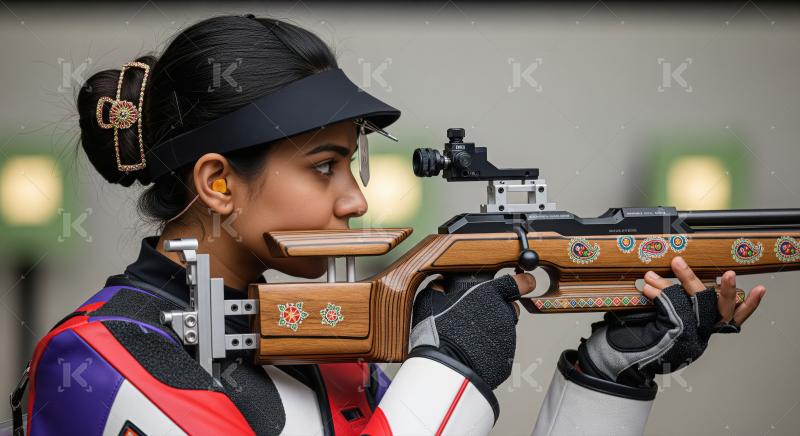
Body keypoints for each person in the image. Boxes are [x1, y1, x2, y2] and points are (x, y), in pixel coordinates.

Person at [17, 14, 766, 436]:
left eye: (352, 165)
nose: (355, 200)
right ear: (218, 183)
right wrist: (449, 369)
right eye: (323, 166)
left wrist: (608, 377)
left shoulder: (326, 354)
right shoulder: (97, 359)